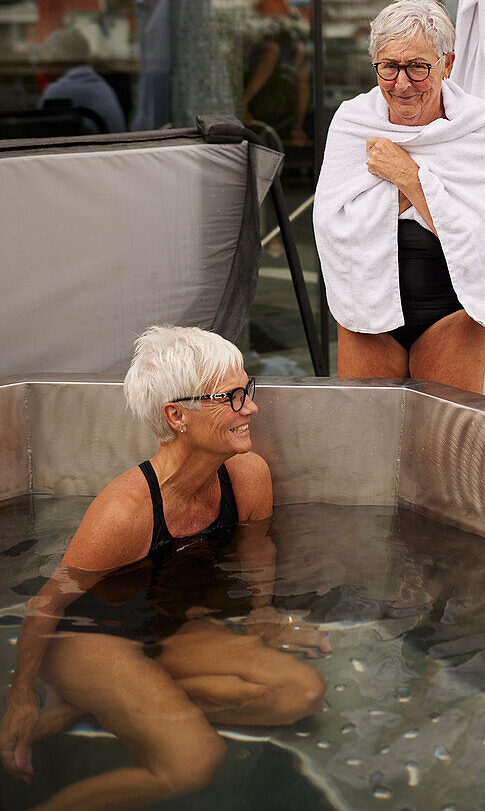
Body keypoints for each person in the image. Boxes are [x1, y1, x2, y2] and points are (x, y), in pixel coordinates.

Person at [0, 325, 327, 811]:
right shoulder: (125, 512)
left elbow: (256, 548)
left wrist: (264, 611)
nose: (251, 407)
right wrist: (22, 697)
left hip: (169, 624)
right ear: (176, 415)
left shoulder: (246, 475)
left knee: (300, 692)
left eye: (247, 389)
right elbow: (47, 604)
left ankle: (109, 706)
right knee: (194, 762)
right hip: (92, 637)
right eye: (230, 397)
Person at [313, 0, 485, 394]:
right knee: (369, 441)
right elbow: (329, 222)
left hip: (452, 313)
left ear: (448, 64)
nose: (402, 84)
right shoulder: (353, 121)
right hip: (364, 310)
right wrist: (435, 195)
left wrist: (406, 175)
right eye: (389, 67)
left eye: (418, 67)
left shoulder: (481, 128)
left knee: (446, 446)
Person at [39, 27, 126, 134]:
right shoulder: (100, 84)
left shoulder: (59, 90)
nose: (43, 69)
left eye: (44, 62)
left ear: (55, 60)